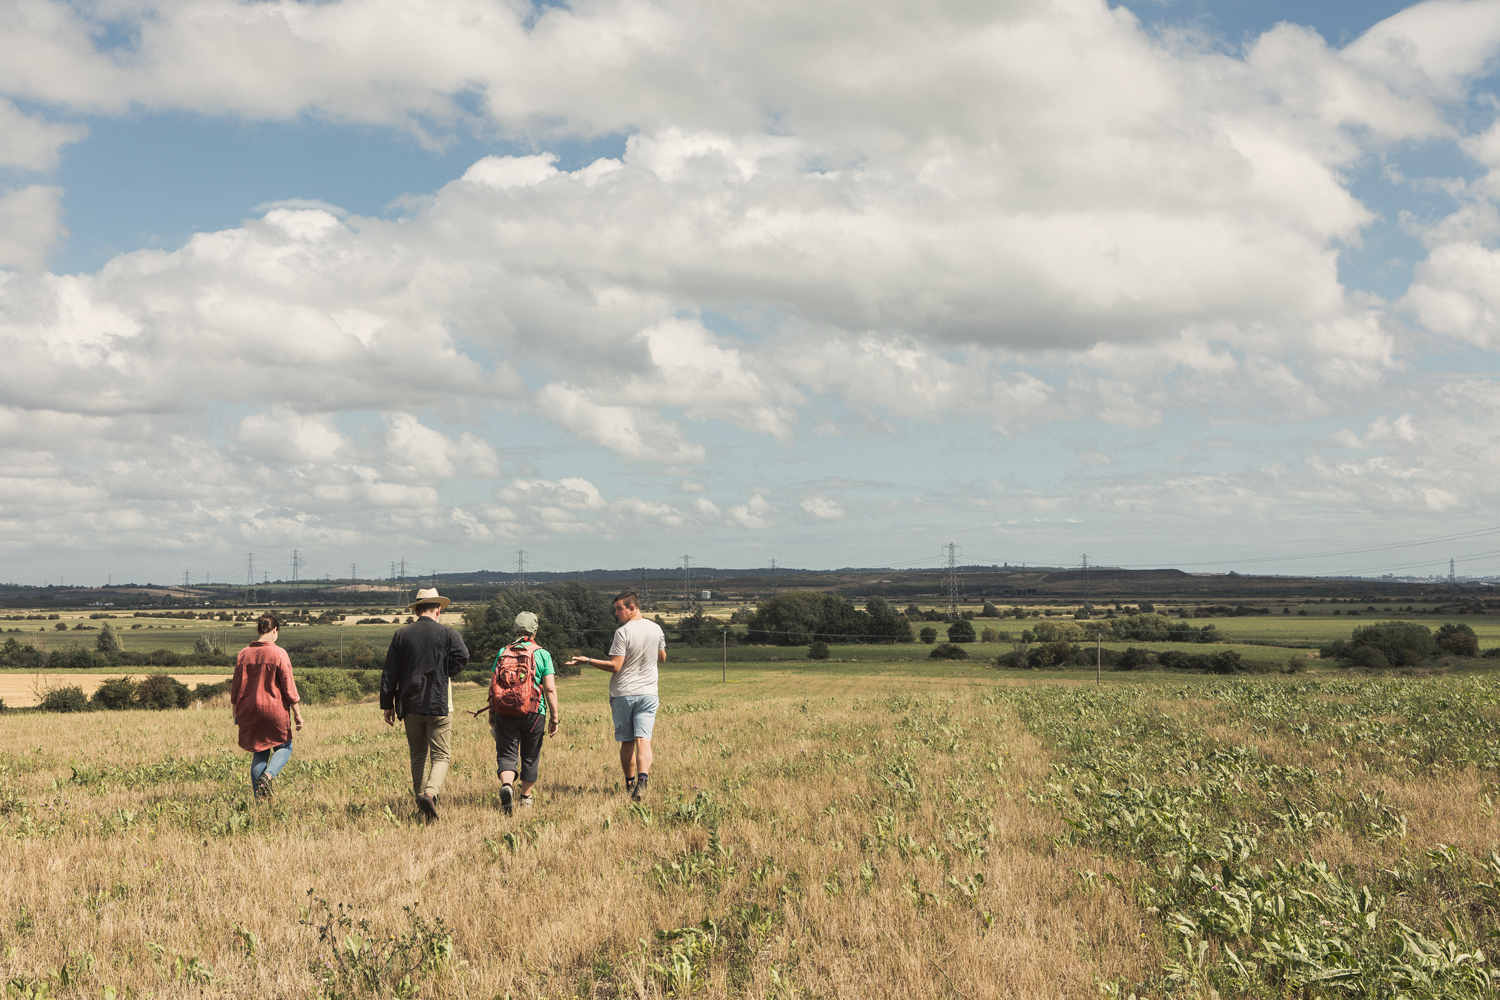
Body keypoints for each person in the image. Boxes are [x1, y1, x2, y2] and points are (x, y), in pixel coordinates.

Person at [380, 588, 469, 821]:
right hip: (439, 703)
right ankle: (430, 794)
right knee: (441, 755)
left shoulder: (401, 634)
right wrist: (444, 673)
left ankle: (422, 801)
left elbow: (390, 672)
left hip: (409, 703)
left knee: (417, 754)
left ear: (416, 610)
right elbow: (463, 656)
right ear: (438, 610)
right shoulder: (449, 634)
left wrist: (387, 704)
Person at [567, 590, 665, 801]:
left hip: (624, 693)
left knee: (627, 741)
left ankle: (630, 785)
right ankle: (643, 779)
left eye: (619, 609)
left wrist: (588, 661)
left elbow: (615, 666)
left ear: (632, 608)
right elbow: (662, 657)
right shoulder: (656, 629)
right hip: (649, 693)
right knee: (643, 740)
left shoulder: (623, 633)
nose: (616, 613)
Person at [482, 611, 560, 815]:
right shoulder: (542, 654)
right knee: (530, 755)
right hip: (534, 713)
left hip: (505, 712)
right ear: (534, 631)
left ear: (515, 629)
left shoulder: (502, 652)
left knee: (507, 754)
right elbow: (550, 689)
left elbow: (492, 686)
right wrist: (555, 718)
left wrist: (492, 712)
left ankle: (507, 785)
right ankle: (525, 798)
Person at [231, 612, 304, 799]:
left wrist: (235, 713)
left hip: (248, 711)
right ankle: (268, 775)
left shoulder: (243, 654)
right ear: (275, 631)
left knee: (259, 752)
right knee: (285, 746)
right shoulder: (279, 653)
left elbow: (236, 687)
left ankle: (260, 800)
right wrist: (297, 713)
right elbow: (289, 687)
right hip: (274, 710)